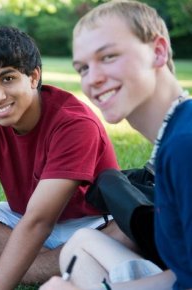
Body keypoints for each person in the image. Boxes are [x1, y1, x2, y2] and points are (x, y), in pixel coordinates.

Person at [0, 26, 130, 290]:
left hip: (87, 226)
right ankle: (54, 265)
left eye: (7, 79)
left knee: (129, 235)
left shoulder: (74, 124)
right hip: (24, 218)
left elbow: (40, 221)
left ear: (33, 76)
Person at [40, 1, 191, 289]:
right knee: (80, 244)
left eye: (108, 56)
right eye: (83, 68)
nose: (92, 79)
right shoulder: (175, 133)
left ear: (158, 52)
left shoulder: (185, 146)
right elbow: (181, 270)